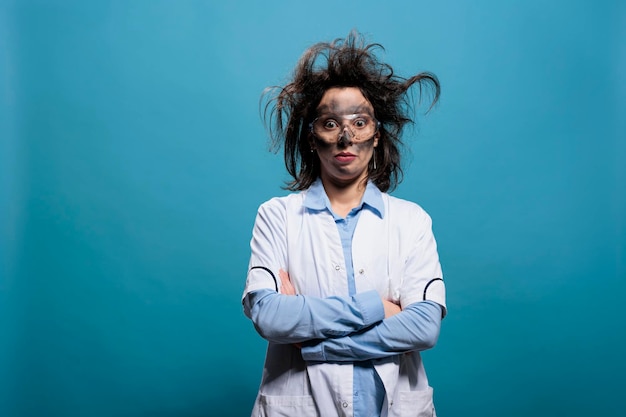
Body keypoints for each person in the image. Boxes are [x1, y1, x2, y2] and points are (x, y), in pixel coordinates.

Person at [242, 30, 447, 417]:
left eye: (360, 121)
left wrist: (316, 341)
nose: (346, 137)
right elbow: (269, 315)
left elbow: (423, 327)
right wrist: (379, 307)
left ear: (376, 134)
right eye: (331, 123)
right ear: (312, 138)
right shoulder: (277, 216)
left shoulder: (411, 221)